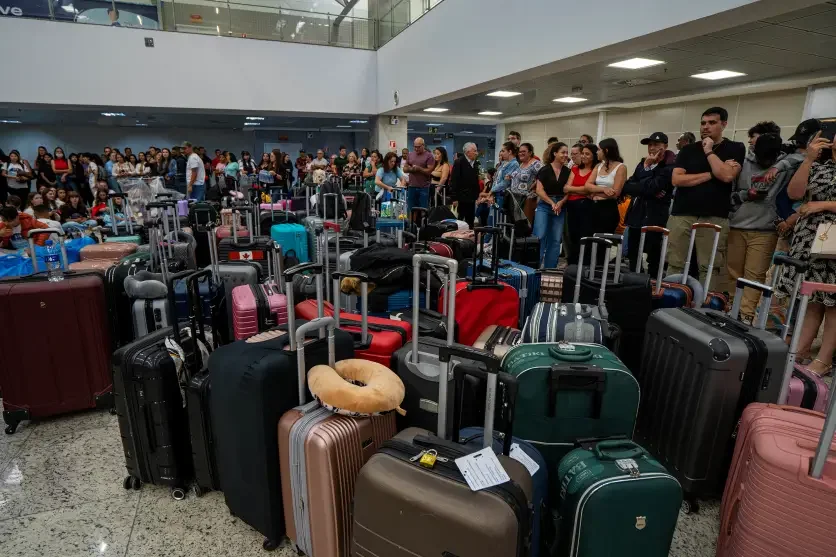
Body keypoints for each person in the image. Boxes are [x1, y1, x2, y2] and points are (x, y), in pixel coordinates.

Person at [776, 130, 836, 377]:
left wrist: (823, 205)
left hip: (833, 240)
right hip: (810, 238)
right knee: (811, 298)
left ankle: (824, 359)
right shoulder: (820, 167)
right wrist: (809, 159)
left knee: (834, 303)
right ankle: (801, 350)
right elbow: (794, 194)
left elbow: (813, 203)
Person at [669, 107, 746, 283]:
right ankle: (671, 297)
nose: (705, 127)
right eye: (703, 123)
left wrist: (709, 151)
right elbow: (677, 179)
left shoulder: (735, 148)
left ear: (724, 124)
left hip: (714, 214)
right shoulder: (688, 150)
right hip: (683, 213)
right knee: (675, 263)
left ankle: (705, 300)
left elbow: (727, 176)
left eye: (712, 123)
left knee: (709, 266)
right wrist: (712, 174)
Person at [622, 132, 676, 278]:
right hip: (637, 215)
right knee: (633, 252)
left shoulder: (669, 166)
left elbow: (654, 187)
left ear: (665, 146)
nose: (652, 148)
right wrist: (646, 170)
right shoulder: (643, 162)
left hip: (655, 216)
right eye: (650, 145)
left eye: (656, 145)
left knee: (654, 255)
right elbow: (627, 186)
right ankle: (636, 281)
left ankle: (652, 283)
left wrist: (644, 179)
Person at [583, 138, 628, 263]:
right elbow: (587, 185)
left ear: (606, 150)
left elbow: (615, 193)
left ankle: (599, 269)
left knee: (602, 243)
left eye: (599, 150)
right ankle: (587, 268)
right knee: (589, 241)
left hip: (608, 208)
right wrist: (603, 189)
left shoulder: (620, 167)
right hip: (593, 207)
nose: (597, 152)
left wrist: (594, 192)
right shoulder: (598, 166)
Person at [533, 142, 571, 269]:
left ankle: (550, 268)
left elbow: (569, 191)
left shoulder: (568, 172)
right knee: (540, 236)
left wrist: (561, 202)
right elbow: (539, 190)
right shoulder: (544, 170)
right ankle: (535, 268)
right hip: (544, 205)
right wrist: (552, 203)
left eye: (567, 153)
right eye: (563, 152)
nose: (565, 155)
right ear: (555, 153)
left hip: (560, 206)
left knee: (555, 239)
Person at [563, 144, 598, 263]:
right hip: (571, 205)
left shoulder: (596, 169)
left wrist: (574, 189)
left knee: (584, 235)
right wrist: (583, 190)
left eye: (587, 154)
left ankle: (583, 263)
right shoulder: (575, 168)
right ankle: (572, 262)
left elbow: (590, 190)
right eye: (582, 153)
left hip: (587, 206)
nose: (583, 156)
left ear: (594, 156)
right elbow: (566, 188)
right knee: (572, 235)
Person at [507, 142, 543, 226]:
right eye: (520, 152)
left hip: (526, 199)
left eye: (524, 151)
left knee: (524, 225)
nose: (521, 153)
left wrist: (534, 187)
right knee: (515, 225)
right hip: (515, 198)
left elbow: (544, 177)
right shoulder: (522, 164)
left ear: (530, 152)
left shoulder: (536, 163)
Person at [449, 142, 480, 227]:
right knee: (460, 221)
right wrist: (454, 198)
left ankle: (470, 234)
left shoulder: (475, 163)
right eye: (474, 151)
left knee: (470, 221)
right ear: (468, 152)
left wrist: (477, 195)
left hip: (471, 198)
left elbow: (475, 180)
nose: (476, 153)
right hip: (461, 198)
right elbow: (454, 181)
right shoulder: (459, 162)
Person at [485, 141, 520, 216]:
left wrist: (492, 190)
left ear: (510, 152)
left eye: (503, 151)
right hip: (496, 194)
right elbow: (495, 179)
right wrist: (492, 193)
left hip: (503, 195)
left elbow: (506, 182)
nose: (501, 153)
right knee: (492, 218)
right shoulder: (503, 163)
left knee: (499, 218)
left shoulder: (514, 164)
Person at [403, 138, 436, 216]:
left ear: (423, 145)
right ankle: (412, 223)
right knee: (411, 209)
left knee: (423, 210)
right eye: (415, 147)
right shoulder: (410, 155)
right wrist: (412, 169)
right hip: (411, 186)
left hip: (423, 187)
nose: (416, 149)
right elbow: (404, 169)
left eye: (418, 147)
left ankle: (423, 223)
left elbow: (429, 171)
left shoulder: (429, 156)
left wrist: (419, 169)